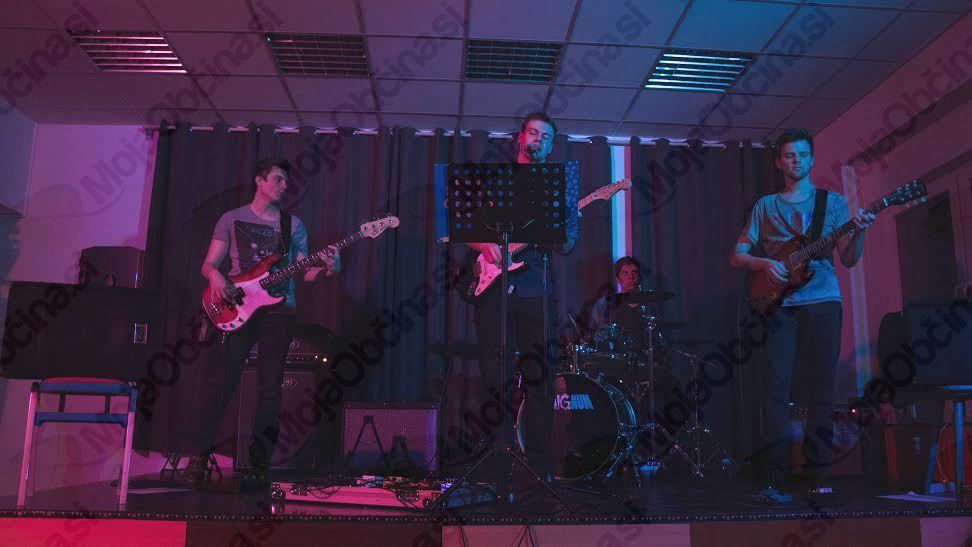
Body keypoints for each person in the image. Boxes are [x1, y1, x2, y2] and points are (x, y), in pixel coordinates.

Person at [729, 128, 875, 502]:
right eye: (790, 155)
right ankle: (773, 479)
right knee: (776, 391)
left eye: (803, 155)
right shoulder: (765, 206)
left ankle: (818, 477)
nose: (797, 161)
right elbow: (737, 255)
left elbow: (849, 259)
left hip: (824, 302)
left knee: (821, 390)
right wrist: (765, 264)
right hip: (778, 305)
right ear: (779, 162)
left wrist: (859, 232)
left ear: (812, 159)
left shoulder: (833, 203)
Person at [194, 158, 339, 486]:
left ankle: (259, 465)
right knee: (222, 383)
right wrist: (215, 275)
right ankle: (199, 458)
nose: (283, 186)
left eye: (286, 182)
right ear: (259, 181)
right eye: (277, 179)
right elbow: (208, 265)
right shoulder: (231, 219)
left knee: (270, 389)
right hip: (236, 306)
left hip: (279, 310)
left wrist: (331, 269)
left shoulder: (293, 225)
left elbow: (306, 272)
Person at [464, 112, 579, 479]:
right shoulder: (494, 179)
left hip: (535, 289)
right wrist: (485, 246)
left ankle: (539, 462)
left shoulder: (559, 187)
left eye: (546, 137)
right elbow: (466, 228)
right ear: (520, 137)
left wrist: (561, 228)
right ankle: (498, 457)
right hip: (494, 288)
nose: (538, 140)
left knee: (539, 375)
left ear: (552, 146)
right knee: (493, 373)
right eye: (533, 133)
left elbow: (568, 244)